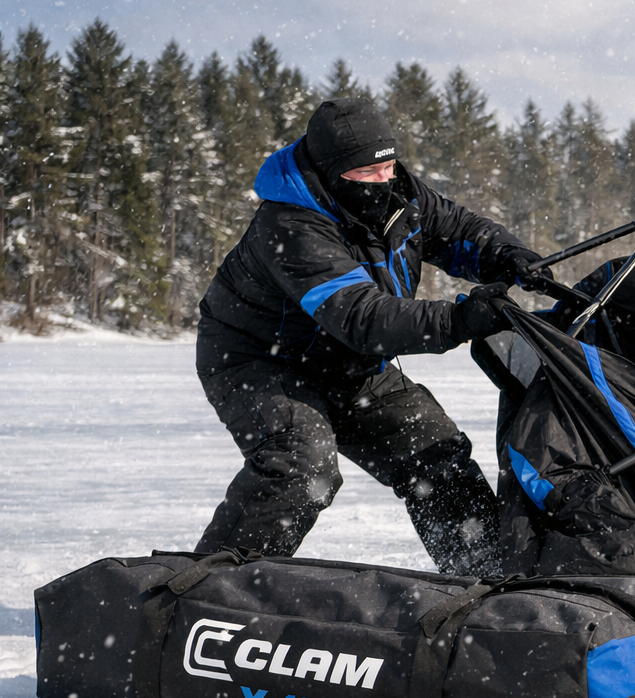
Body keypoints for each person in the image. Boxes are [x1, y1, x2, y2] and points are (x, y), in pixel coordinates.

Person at [194, 96, 542, 574]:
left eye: (388, 167)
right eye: (366, 175)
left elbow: (458, 230)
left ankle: (487, 582)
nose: (383, 182)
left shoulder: (399, 191)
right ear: (332, 173)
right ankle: (207, 589)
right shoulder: (292, 225)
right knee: (302, 467)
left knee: (436, 455)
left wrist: (510, 256)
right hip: (262, 362)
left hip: (350, 364)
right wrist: (459, 320)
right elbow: (364, 318)